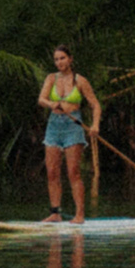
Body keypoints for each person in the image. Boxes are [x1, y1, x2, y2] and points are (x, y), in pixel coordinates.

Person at [37, 47, 101, 222]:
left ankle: (79, 214)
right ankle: (55, 213)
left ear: (70, 59)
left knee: (73, 172)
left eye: (62, 58)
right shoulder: (51, 78)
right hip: (54, 125)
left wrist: (95, 125)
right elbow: (41, 99)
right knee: (52, 172)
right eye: (56, 59)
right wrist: (51, 104)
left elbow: (95, 104)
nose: (59, 62)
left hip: (73, 125)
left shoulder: (80, 81)